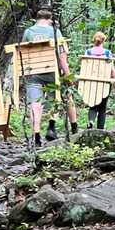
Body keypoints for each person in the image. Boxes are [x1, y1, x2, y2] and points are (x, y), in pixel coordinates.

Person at [22, 9, 78, 146]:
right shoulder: (55, 32)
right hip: (53, 74)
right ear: (50, 19)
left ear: (37, 19)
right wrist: (68, 76)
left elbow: (23, 54)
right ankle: (67, 128)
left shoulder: (28, 32)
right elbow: (62, 57)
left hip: (34, 73)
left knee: (35, 104)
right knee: (64, 96)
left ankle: (36, 136)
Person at [85, 31, 115, 130]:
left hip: (91, 82)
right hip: (105, 83)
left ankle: (91, 121)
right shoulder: (107, 53)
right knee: (102, 107)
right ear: (103, 41)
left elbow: (85, 68)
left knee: (92, 105)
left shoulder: (88, 52)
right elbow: (112, 70)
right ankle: (100, 129)